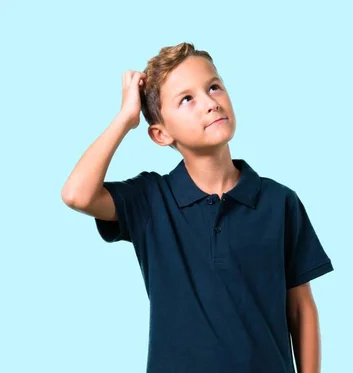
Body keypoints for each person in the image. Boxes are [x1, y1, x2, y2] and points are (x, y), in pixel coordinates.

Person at [61, 42, 334, 373]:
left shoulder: (280, 202)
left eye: (214, 87)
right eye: (186, 99)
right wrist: (125, 118)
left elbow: (301, 309)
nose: (210, 103)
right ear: (160, 134)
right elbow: (77, 194)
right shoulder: (151, 200)